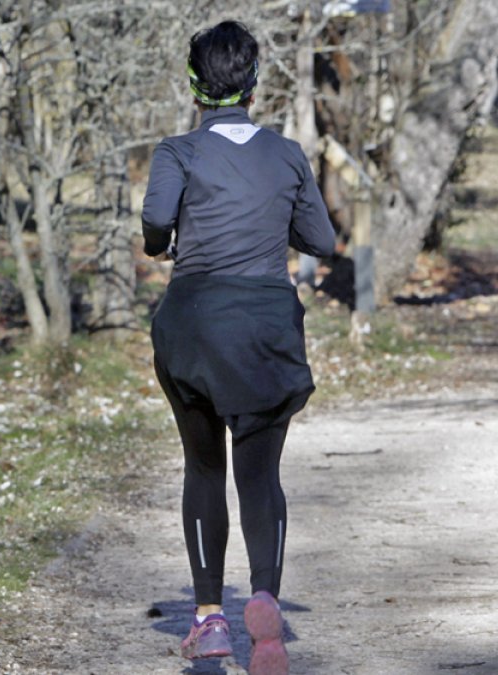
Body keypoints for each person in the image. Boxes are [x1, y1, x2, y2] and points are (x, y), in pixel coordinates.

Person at [141, 20, 335, 675]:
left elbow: (154, 224)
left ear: (194, 83)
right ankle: (264, 603)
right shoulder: (284, 155)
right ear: (255, 83)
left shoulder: (176, 152)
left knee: (203, 470)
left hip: (193, 324)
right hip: (266, 329)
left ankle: (207, 620)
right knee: (261, 476)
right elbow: (322, 239)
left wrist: (163, 239)